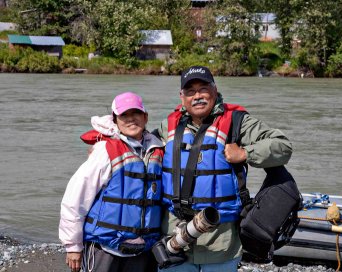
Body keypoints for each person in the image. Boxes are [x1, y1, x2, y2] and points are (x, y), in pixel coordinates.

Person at [156, 66, 293, 271]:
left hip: (222, 244)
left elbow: (283, 146)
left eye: (203, 89)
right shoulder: (169, 126)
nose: (198, 96)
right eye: (190, 91)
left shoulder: (238, 123)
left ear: (215, 89)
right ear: (182, 97)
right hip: (174, 241)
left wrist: (246, 153)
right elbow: (136, 144)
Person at [59, 92, 163, 272]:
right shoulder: (105, 150)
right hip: (105, 247)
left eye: (136, 113)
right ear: (115, 120)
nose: (131, 119)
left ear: (145, 117)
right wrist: (73, 246)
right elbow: (76, 198)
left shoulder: (158, 149)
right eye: (124, 115)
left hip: (143, 249)